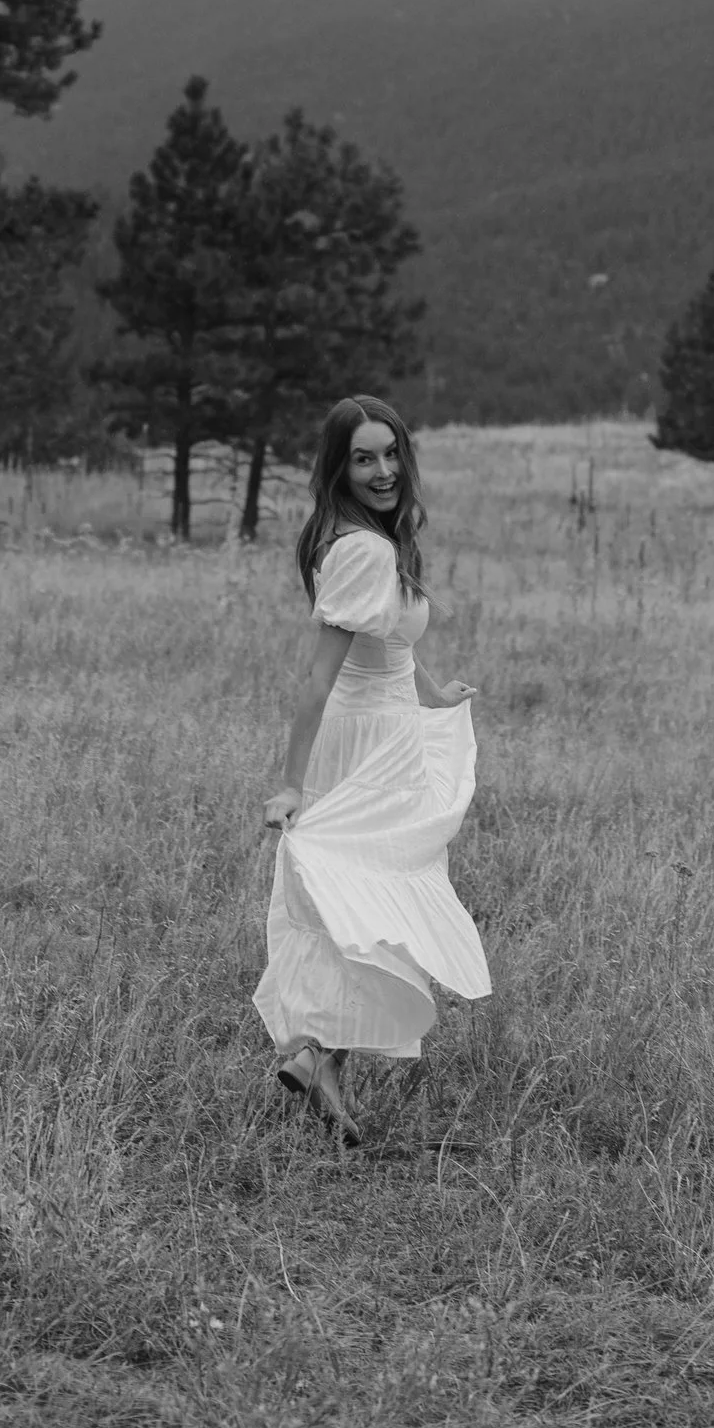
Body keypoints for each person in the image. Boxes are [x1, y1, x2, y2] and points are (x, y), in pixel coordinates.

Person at [255, 394, 491, 1144]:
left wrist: (433, 694)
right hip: (368, 748)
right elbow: (319, 676)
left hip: (386, 735)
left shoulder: (365, 539)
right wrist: (291, 782)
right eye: (364, 458)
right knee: (367, 907)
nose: (383, 470)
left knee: (364, 910)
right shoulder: (365, 549)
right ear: (340, 467)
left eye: (390, 454)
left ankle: (321, 1062)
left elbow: (387, 643)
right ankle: (318, 1053)